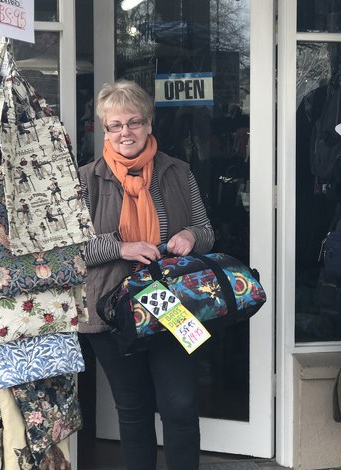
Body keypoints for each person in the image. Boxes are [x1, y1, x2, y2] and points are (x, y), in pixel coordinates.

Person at [78, 80, 214, 470]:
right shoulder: (85, 179)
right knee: (133, 408)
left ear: (149, 123)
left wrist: (191, 236)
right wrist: (120, 248)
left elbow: (206, 231)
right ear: (105, 130)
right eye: (115, 125)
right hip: (111, 306)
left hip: (172, 301)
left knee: (181, 404)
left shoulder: (178, 171)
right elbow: (70, 252)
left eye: (134, 122)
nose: (126, 132)